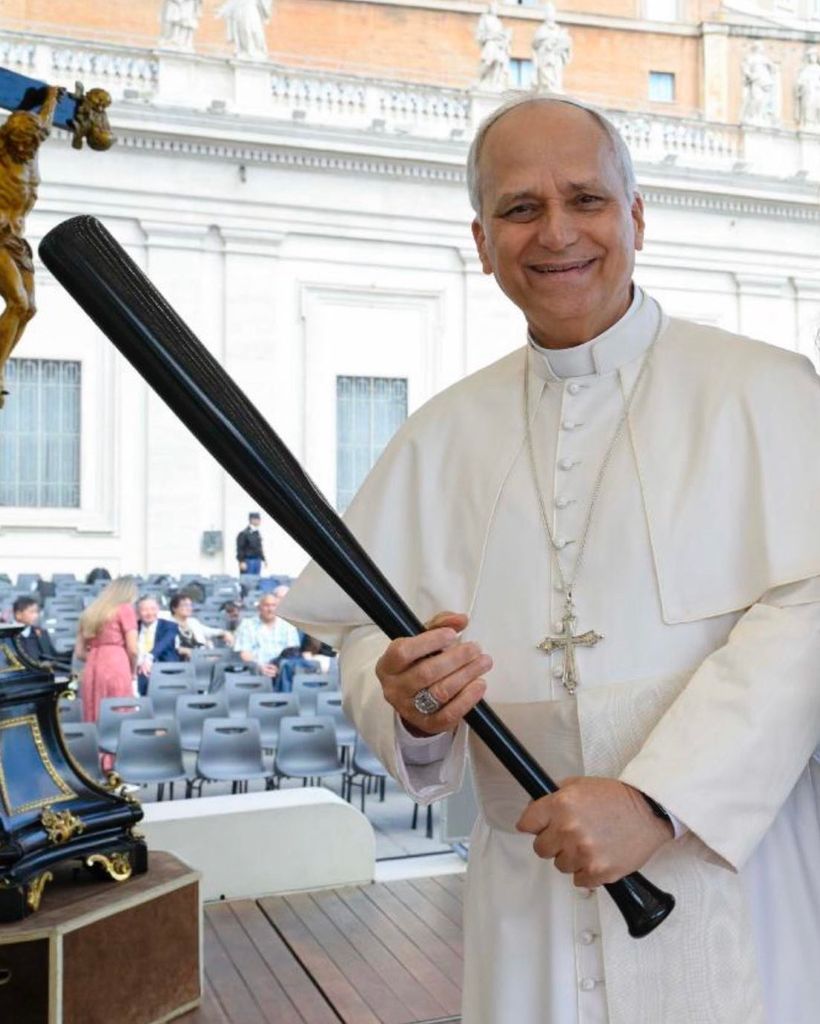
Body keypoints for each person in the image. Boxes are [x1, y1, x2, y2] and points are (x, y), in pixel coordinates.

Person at [282, 95, 820, 1023]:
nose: (557, 233)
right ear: (483, 242)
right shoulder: (439, 435)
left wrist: (658, 800)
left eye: (587, 199)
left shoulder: (767, 390)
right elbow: (368, 634)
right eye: (521, 208)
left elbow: (811, 607)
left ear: (637, 216)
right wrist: (406, 700)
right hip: (530, 892)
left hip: (735, 870)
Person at [0, 86, 61, 405]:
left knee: (29, 309)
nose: (23, 148)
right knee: (18, 302)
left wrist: (51, 97)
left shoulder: (32, 147)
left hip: (17, 240)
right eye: (18, 143)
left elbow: (46, 121)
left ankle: (1, 363)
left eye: (28, 144)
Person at [74, 576, 138, 723]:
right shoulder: (125, 609)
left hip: (92, 665)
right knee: (119, 711)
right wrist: (133, 671)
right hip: (117, 663)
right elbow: (133, 649)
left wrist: (97, 658)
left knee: (92, 710)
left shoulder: (89, 612)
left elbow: (79, 653)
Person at [233, 587, 299, 682]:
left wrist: (280, 667)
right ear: (259, 608)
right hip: (256, 672)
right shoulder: (247, 625)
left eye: (274, 605)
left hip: (282, 671)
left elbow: (292, 651)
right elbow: (244, 653)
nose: (270, 609)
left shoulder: (288, 626)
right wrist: (260, 667)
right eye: (266, 605)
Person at [135, 596, 180, 697]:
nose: (149, 613)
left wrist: (149, 657)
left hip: (164, 667)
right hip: (138, 668)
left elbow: (163, 644)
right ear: (137, 612)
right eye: (145, 610)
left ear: (158, 609)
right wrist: (140, 662)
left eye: (153, 609)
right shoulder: (133, 627)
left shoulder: (169, 626)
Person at [12, 595, 71, 671]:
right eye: (32, 612)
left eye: (37, 612)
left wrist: (73, 652)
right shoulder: (9, 636)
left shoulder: (41, 633)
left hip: (42, 672)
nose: (36, 616)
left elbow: (52, 655)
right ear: (18, 614)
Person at [166, 593, 232, 657]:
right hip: (180, 659)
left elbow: (209, 631)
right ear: (174, 608)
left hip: (200, 656)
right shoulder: (167, 625)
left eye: (190, 605)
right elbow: (172, 647)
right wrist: (190, 652)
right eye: (185, 605)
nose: (189, 608)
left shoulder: (193, 622)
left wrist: (224, 633)